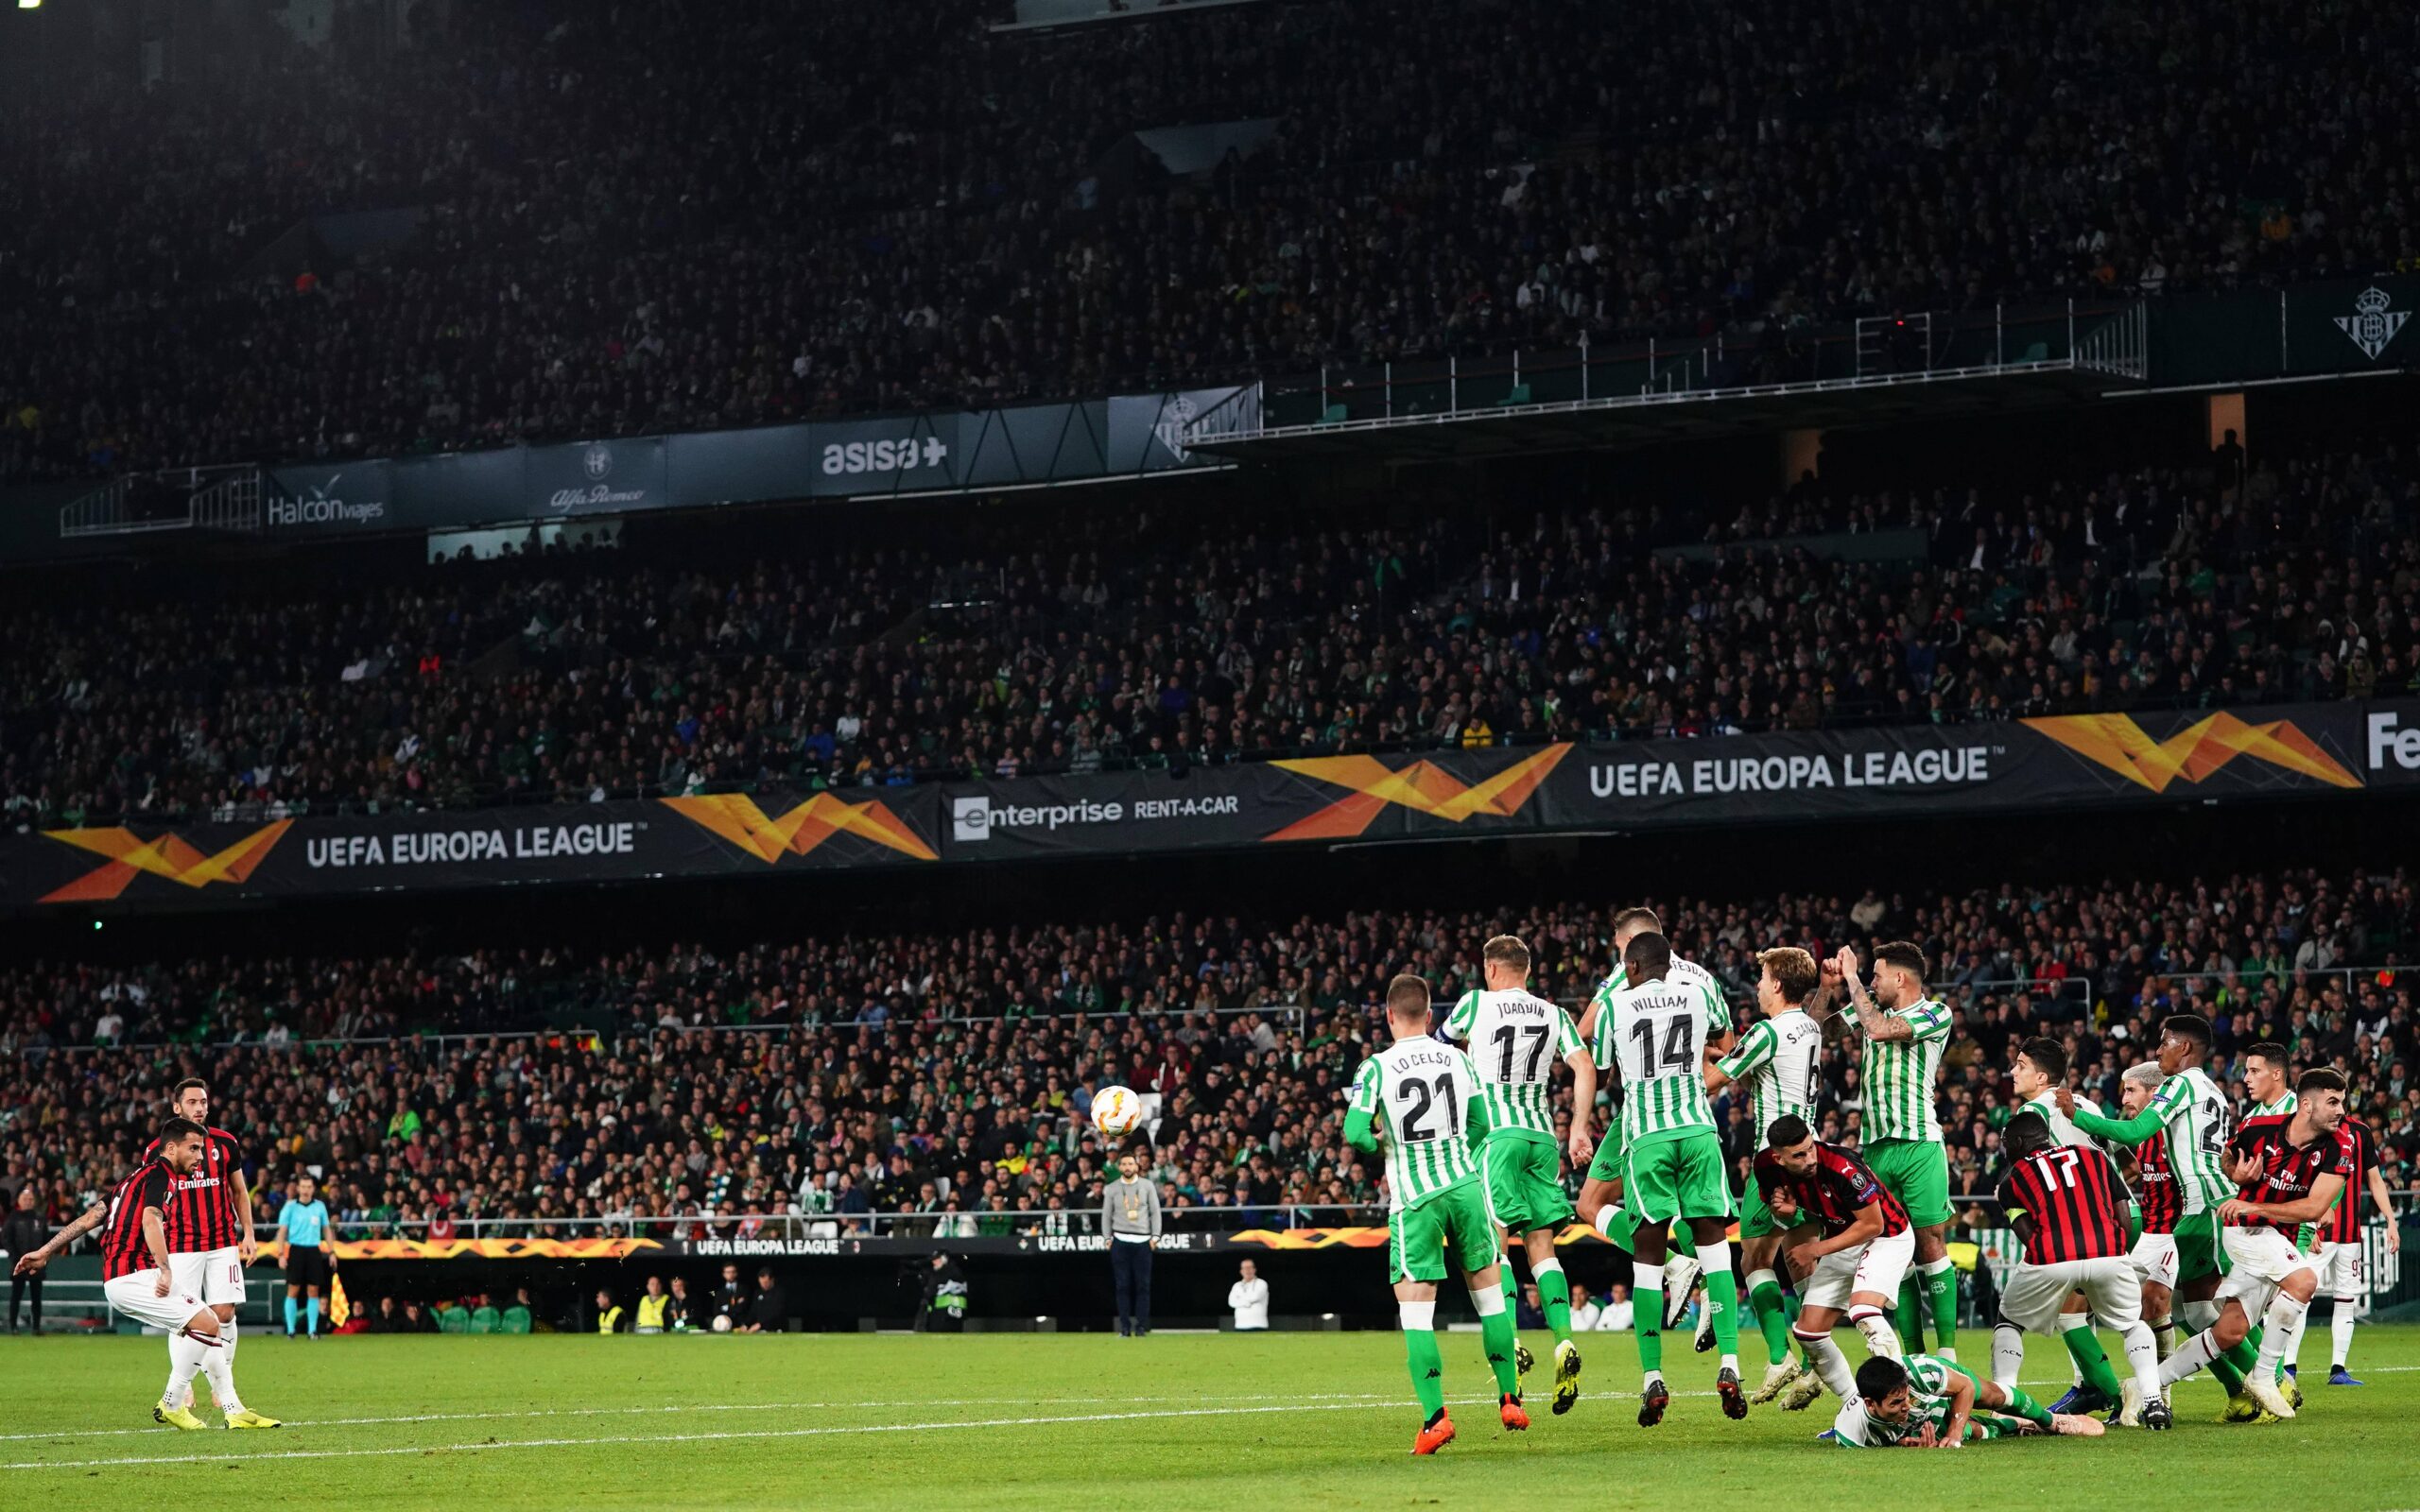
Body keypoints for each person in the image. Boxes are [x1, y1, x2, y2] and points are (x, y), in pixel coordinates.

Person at [1344, 971, 1527, 1453]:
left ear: (1388, 1015)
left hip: (1416, 1199)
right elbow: (1481, 1123)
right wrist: (1456, 1152)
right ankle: (1510, 1399)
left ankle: (1435, 1419)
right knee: (1490, 1299)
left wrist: (1384, 1143)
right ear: (1429, 1015)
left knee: (1416, 1312)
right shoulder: (1456, 1058)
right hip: (1465, 1188)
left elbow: (1355, 1132)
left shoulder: (1376, 1068)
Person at [2060, 1015, 2261, 1420]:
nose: (2124, 1098)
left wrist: (2076, 1115)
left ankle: (2158, 1393)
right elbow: (2138, 1161)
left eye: (2131, 1089)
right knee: (2196, 1313)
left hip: (2188, 1217)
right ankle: (2243, 1386)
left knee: (2171, 1307)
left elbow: (2139, 1135)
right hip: (2183, 1219)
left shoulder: (2176, 1098)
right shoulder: (2205, 1098)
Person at [24, 1119, 277, 1429]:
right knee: (209, 1323)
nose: (200, 1156)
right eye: (193, 1148)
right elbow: (151, 1220)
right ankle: (173, 1402)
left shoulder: (132, 1179)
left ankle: (232, 1408)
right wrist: (165, 1269)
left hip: (118, 1280)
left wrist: (45, 1251)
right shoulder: (162, 1176)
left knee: (204, 1325)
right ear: (171, 1148)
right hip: (135, 1275)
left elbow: (91, 1217)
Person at [1439, 933, 1596, 1414]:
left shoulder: (1474, 1004)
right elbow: (1584, 1066)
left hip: (1496, 1135)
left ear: (1490, 968)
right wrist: (1578, 1129)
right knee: (1543, 1250)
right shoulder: (1553, 1013)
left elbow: (1438, 1051)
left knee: (1496, 1245)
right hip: (1542, 1138)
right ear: (1527, 970)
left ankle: (1510, 1344)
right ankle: (1564, 1340)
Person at [1599, 930, 1747, 1425]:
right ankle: (1730, 1364)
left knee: (1646, 1263)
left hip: (1647, 1138)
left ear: (1633, 967)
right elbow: (1724, 1042)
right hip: (1699, 1130)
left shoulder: (1615, 1004)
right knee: (1716, 1253)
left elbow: (1602, 1069)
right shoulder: (1700, 990)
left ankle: (1653, 1377)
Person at [2150, 1068, 2356, 1421]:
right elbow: (2227, 1156)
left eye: (2342, 1102)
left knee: (2229, 1332)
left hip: (2272, 1229)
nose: (2341, 1111)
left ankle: (2145, 1386)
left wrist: (2256, 1206)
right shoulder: (2259, 1128)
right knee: (2304, 1280)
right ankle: (2264, 1376)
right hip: (2245, 1231)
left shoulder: (2342, 1144)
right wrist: (2236, 1173)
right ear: (2307, 1105)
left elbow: (2315, 1208)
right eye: (2333, 1102)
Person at [1575, 907, 1722, 1332]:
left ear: (1630, 946)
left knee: (1589, 1204)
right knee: (1696, 1212)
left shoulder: (1623, 979)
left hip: (1643, 1114)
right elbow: (1725, 1046)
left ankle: (1677, 1267)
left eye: (1618, 945)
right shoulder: (1702, 980)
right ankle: (1712, 1290)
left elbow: (1583, 1032)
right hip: (1693, 1113)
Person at [1703, 945, 1829, 1401]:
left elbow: (1712, 1083)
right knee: (1801, 1262)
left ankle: (1780, 1356)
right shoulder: (1809, 1028)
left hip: (1774, 1160)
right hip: (1812, 1156)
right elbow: (1763, 1061)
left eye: (1762, 978)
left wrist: (1692, 1057)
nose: (1757, 986)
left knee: (1754, 1261)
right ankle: (1817, 1364)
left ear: (1776, 984)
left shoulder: (1766, 1032)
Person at [1990, 1111, 2167, 1429]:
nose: (2005, 1151)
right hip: (2109, 1252)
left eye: (2007, 1144)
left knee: (2009, 1321)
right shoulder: (2094, 1157)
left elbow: (2026, 1233)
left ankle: (2004, 1403)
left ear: (2018, 1141)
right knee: (2131, 1324)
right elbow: (2123, 1213)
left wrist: (2055, 1261)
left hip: (2053, 1257)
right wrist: (2117, 1250)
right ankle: (2154, 1402)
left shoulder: (2012, 1178)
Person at [1833, 942, 1960, 1361]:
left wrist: (1852, 978)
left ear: (1900, 978)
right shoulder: (1869, 1006)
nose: (1871, 983)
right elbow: (1822, 1031)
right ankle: (1913, 1356)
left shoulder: (1935, 1012)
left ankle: (1947, 1355)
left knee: (1930, 1243)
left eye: (1877, 975)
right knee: (1894, 1249)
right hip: (1875, 1148)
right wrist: (1827, 987)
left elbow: (1880, 1031)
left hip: (1919, 1143)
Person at [2004, 1038, 2129, 1418]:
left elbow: (2028, 1177)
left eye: (2021, 1065)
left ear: (2042, 1077)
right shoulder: (2086, 1104)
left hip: (2084, 1225)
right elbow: (2121, 1159)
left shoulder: (2033, 1115)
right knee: (2086, 1310)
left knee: (2067, 1312)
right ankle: (2092, 1386)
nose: (2013, 1071)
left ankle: (2118, 1396)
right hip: (2120, 1212)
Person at [1755, 1113, 1912, 1409]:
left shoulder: (1843, 1166)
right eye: (1799, 1155)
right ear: (1778, 1158)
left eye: (1810, 1148)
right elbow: (1786, 1209)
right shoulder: (1765, 1166)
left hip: (1887, 1237)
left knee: (1864, 1312)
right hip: (1844, 1240)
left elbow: (1873, 1224)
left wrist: (1815, 1250)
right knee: (1808, 1333)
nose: (1809, 1159)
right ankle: (1856, 1407)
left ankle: (1905, 1402)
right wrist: (1787, 1212)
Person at [139, 1077, 256, 1412]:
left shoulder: (226, 1143)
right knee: (183, 1317)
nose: (200, 1107)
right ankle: (185, 1384)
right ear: (177, 1107)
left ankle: (223, 1385)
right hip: (180, 1244)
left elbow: (239, 1191)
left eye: (203, 1101)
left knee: (225, 1312)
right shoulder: (157, 1150)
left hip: (222, 1241)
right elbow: (151, 1203)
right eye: (192, 1102)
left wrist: (248, 1233)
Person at [1827, 1352, 2103, 1448]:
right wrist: (1906, 1445)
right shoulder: (1853, 1434)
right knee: (1977, 1432)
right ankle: (2017, 1425)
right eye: (1896, 1404)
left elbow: (1965, 1388)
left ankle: (2051, 1420)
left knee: (1992, 1396)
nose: (1906, 1406)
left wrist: (1955, 1434)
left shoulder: (1921, 1373)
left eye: (1906, 1397)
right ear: (1870, 1404)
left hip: (1948, 1388)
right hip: (1924, 1425)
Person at [2318, 1106, 2398, 1384]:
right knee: (2297, 1300)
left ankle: (2338, 1369)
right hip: (2317, 1231)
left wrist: (2391, 1220)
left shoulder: (2361, 1132)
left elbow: (2375, 1180)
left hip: (2350, 1233)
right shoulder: (2312, 1127)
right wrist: (2306, 1225)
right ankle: (2288, 1369)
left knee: (2345, 1300)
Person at [1102, 1152, 1160, 1337]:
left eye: (1130, 1164)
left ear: (1136, 1166)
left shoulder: (1147, 1185)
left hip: (1143, 1241)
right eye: (1124, 1164)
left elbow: (1155, 1212)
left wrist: (1155, 1237)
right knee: (1122, 1286)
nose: (1127, 1167)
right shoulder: (1112, 1188)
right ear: (1119, 1167)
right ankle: (1125, 1327)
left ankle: (1141, 1327)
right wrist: (1107, 1238)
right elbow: (1106, 1214)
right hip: (1120, 1241)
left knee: (1143, 1286)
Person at [273, 1174, 333, 1339]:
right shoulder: (290, 1207)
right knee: (293, 1289)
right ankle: (291, 1330)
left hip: (314, 1249)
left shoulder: (319, 1206)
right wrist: (281, 1254)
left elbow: (327, 1230)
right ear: (298, 1188)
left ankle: (312, 1330)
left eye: (309, 1187)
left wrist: (332, 1251)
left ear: (313, 1189)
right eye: (303, 1186)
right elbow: (282, 1232)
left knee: (314, 1290)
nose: (306, 1190)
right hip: (296, 1250)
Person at [3, 1188, 46, 1333]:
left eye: (31, 1199)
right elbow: (6, 1239)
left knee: (37, 1297)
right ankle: (13, 1326)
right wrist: (15, 1257)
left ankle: (36, 1327)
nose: (28, 1201)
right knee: (16, 1296)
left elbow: (46, 1240)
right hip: (18, 1263)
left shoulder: (39, 1218)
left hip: (36, 1264)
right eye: (26, 1199)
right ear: (19, 1201)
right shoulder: (13, 1218)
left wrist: (42, 1257)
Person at [917, 1253, 967, 1332]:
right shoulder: (952, 1271)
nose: (934, 1262)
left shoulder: (948, 1272)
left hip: (945, 1314)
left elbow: (931, 1291)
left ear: (944, 1259)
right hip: (944, 1313)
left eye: (937, 1260)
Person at [1227, 1258, 1270, 1332]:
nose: (1247, 1270)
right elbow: (1231, 1302)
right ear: (1241, 1271)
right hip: (1240, 1326)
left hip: (1258, 1326)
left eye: (1250, 1267)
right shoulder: (1236, 1285)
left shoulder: (1261, 1283)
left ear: (1254, 1270)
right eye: (1245, 1268)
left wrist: (1239, 1299)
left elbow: (1255, 1297)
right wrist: (1246, 1303)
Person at [742, 1268, 787, 1332]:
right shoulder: (758, 1293)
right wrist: (746, 1324)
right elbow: (753, 1311)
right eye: (761, 1282)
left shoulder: (779, 1293)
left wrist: (761, 1324)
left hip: (776, 1328)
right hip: (760, 1329)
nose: (763, 1284)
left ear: (772, 1280)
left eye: (766, 1282)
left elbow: (777, 1313)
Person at [714, 1262, 752, 1328]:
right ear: (724, 1274)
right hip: (725, 1325)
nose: (731, 1274)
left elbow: (744, 1308)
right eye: (728, 1272)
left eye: (733, 1272)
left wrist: (726, 1308)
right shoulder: (719, 1292)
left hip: (741, 1325)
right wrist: (735, 1306)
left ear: (736, 1273)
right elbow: (716, 1311)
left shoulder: (744, 1289)